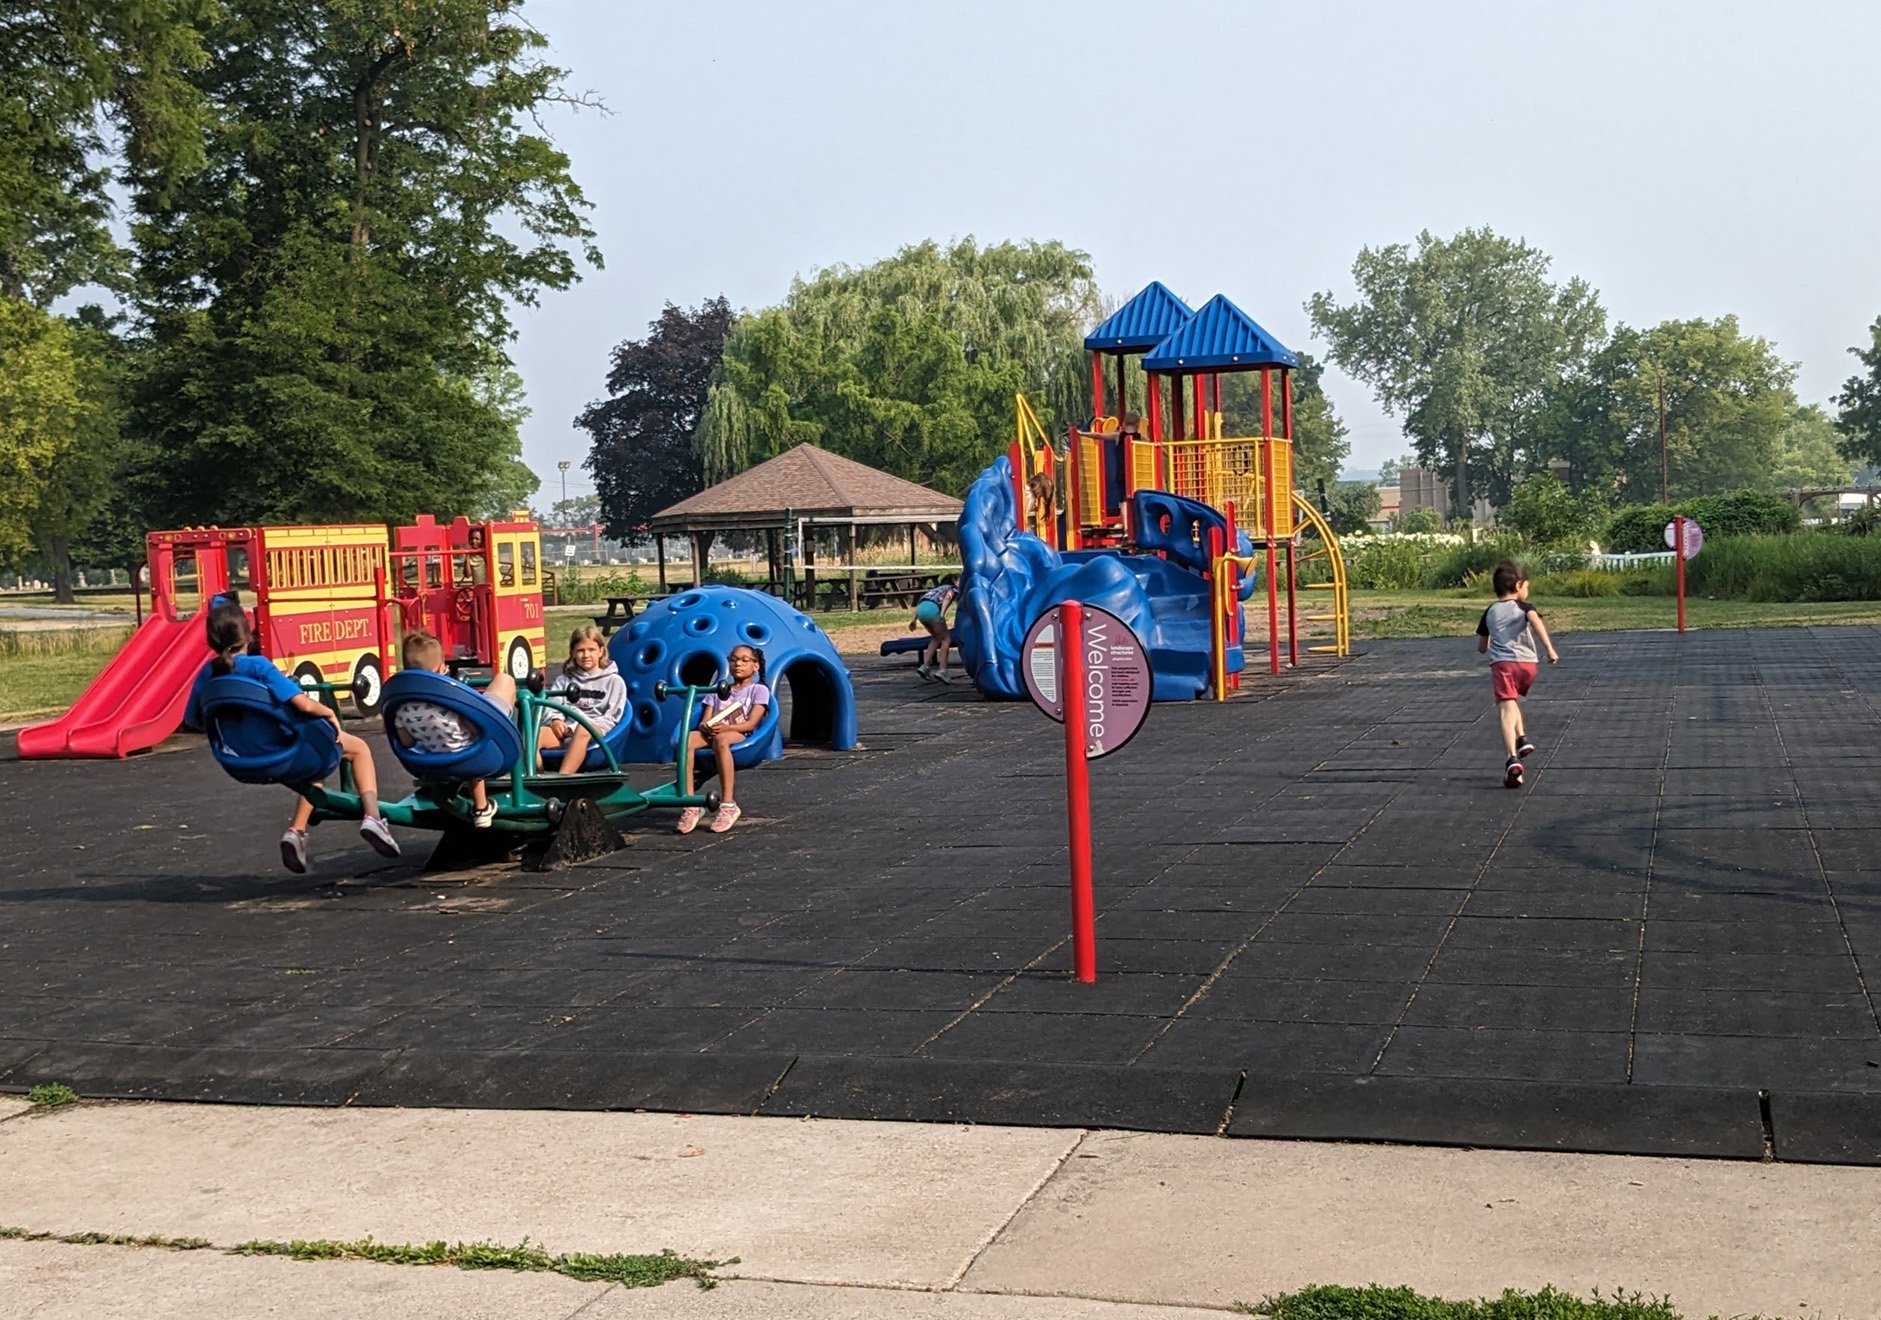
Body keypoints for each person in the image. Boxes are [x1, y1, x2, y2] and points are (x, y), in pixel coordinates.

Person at [185, 601, 401, 873]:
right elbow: (303, 704)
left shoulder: (207, 673)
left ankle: (296, 832)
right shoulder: (258, 666)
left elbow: (193, 719)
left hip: (241, 760)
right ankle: (373, 817)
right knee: (358, 749)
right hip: (285, 749)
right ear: (248, 634)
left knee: (316, 759)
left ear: (211, 640)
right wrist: (328, 713)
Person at [391, 630, 518, 826]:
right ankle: (482, 808)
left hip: (434, 760)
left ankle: (481, 806)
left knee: (460, 747)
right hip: (477, 757)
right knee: (505, 680)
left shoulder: (401, 709)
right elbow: (475, 727)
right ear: (440, 668)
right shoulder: (450, 701)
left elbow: (407, 741)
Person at [1476, 559, 1560, 789]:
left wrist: (1491, 640)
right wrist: (1550, 649)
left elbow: (1482, 647)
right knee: (1512, 702)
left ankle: (1512, 758)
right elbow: (1534, 621)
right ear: (1519, 585)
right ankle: (1522, 739)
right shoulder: (1525, 607)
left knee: (1505, 708)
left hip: (1504, 665)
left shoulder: (1490, 611)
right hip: (1528, 666)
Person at [675, 643, 769, 835]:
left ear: (756, 666)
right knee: (687, 740)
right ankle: (691, 803)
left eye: (744, 660)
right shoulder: (719, 689)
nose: (738, 664)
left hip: (738, 733)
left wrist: (726, 728)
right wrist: (705, 727)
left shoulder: (758, 690)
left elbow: (751, 724)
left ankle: (728, 804)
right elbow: (705, 719)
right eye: (733, 660)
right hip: (715, 732)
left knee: (722, 740)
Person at [539, 625, 627, 774]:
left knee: (583, 728)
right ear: (573, 653)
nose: (586, 655)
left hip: (597, 732)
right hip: (566, 730)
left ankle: (563, 778)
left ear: (601, 651)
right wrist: (555, 720)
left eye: (591, 650)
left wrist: (580, 727)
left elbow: (613, 717)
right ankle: (536, 777)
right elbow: (552, 705)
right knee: (537, 733)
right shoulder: (565, 680)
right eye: (580, 650)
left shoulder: (614, 681)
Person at [908, 573, 960, 682]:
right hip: (933, 610)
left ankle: (925, 666)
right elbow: (948, 597)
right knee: (946, 639)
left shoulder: (936, 589)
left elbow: (921, 601)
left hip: (921, 610)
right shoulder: (952, 588)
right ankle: (942, 670)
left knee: (936, 638)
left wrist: (914, 620)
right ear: (954, 580)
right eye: (960, 580)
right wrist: (942, 613)